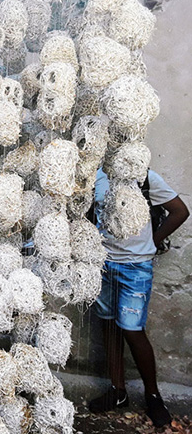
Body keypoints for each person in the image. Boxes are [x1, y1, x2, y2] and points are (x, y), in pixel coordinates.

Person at [89, 168, 189, 427]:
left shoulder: (145, 178)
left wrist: (152, 242)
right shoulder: (97, 176)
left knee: (132, 329)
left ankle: (153, 396)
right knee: (108, 324)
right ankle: (118, 391)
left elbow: (180, 211)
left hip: (135, 268)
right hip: (103, 264)